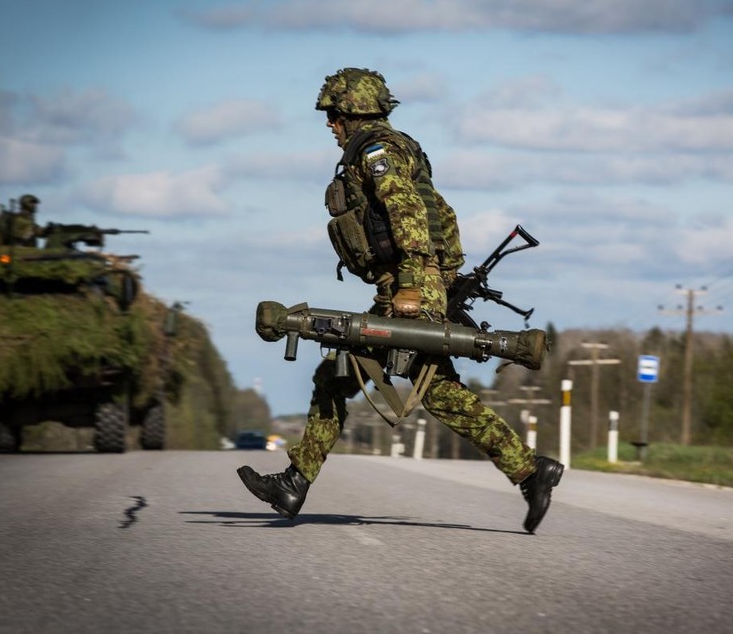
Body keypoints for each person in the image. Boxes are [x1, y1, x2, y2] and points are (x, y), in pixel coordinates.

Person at [237, 68, 563, 533]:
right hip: (409, 286)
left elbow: (405, 209)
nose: (329, 124)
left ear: (351, 112)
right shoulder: (395, 147)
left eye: (332, 114)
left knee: (347, 375)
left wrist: (413, 283)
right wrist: (435, 280)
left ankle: (295, 483)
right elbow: (438, 217)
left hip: (408, 288)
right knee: (419, 389)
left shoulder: (376, 151)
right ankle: (530, 472)